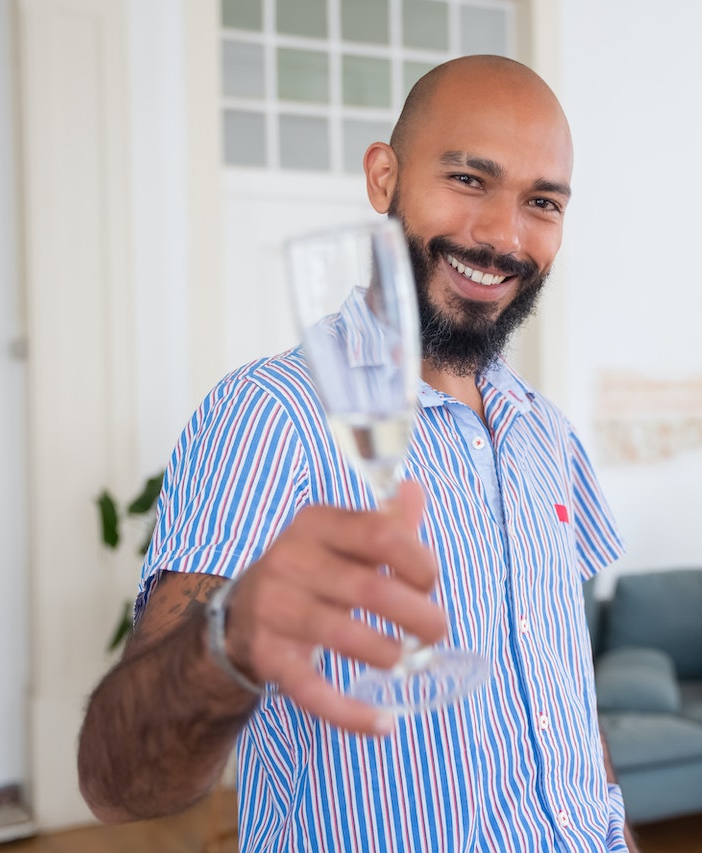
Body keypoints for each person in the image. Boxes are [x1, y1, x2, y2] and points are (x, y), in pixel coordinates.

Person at [76, 56, 640, 852]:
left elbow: (565, 697)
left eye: (541, 202)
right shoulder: (270, 414)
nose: (503, 235)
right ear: (384, 178)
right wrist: (232, 639)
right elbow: (120, 780)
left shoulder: (546, 431)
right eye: (470, 180)